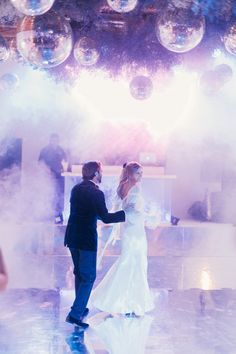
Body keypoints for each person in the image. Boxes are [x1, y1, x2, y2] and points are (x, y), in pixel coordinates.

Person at [64, 161, 125, 329]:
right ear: (96, 173)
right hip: (85, 239)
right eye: (101, 171)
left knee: (79, 274)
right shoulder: (96, 193)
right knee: (89, 276)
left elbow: (87, 213)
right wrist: (125, 214)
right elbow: (104, 218)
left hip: (72, 237)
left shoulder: (76, 189)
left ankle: (80, 308)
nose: (102, 174)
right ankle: (75, 314)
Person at [92, 162, 155, 316]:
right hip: (135, 230)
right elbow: (132, 211)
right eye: (138, 173)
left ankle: (121, 301)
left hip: (129, 230)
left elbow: (125, 209)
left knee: (128, 262)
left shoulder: (122, 186)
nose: (141, 176)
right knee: (136, 263)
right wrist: (148, 216)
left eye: (141, 173)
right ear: (131, 174)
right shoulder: (136, 188)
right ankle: (133, 303)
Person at [38, 133, 67, 224]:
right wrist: (47, 171)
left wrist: (64, 168)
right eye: (53, 140)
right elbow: (40, 162)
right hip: (48, 177)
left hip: (59, 176)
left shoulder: (60, 150)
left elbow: (65, 160)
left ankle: (58, 216)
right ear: (50, 140)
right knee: (49, 195)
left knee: (59, 195)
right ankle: (47, 215)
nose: (55, 142)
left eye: (56, 140)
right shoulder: (45, 150)